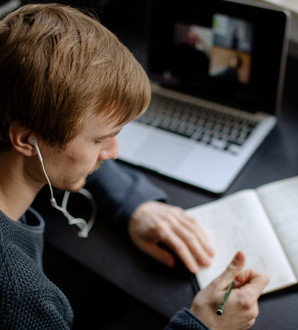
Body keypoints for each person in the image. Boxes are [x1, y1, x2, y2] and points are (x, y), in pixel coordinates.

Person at [0, 3, 269, 329]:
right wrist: (203, 326)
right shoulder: (23, 296)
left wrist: (132, 204)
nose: (113, 152)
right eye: (99, 140)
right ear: (27, 140)